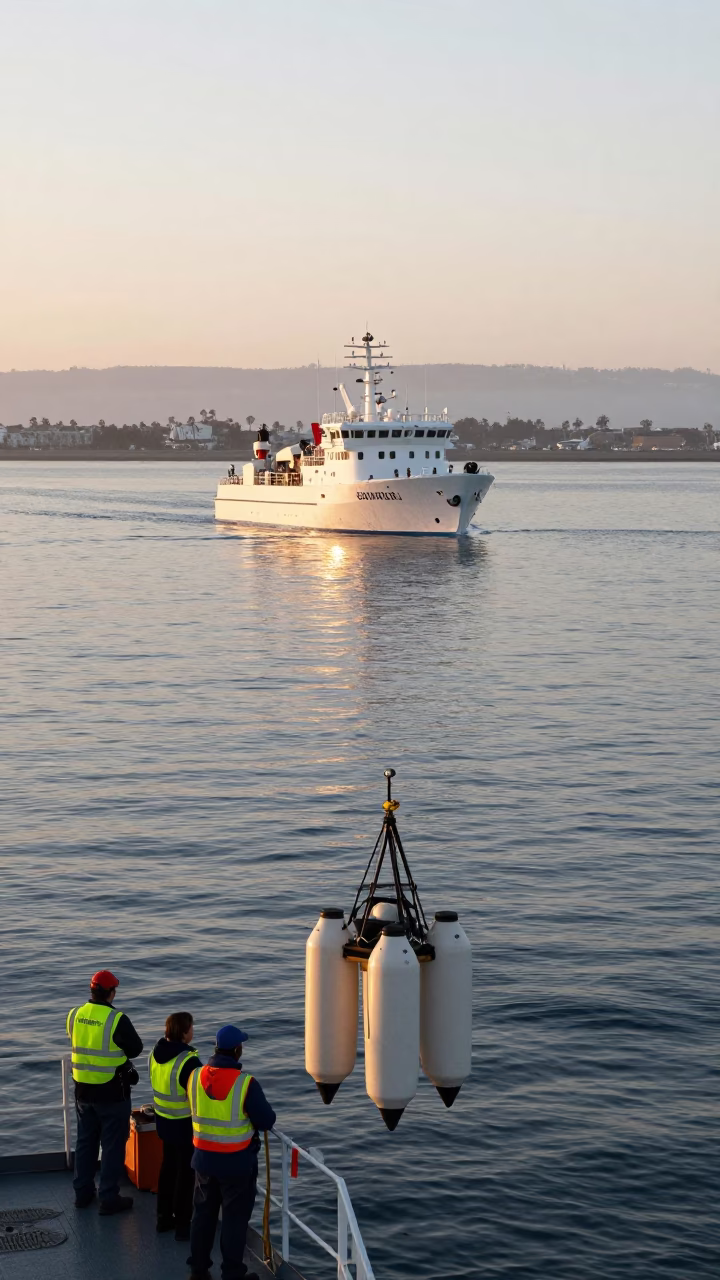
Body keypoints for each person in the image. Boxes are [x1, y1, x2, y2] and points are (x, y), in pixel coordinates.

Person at [187, 1025, 276, 1280]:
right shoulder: (245, 1083)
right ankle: (232, 1273)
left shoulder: (195, 1076)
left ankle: (198, 1269)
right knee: (234, 1220)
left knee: (203, 1216)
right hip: (236, 1165)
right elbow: (266, 1120)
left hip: (203, 1160)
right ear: (237, 1050)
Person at [66, 969, 143, 1214]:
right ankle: (108, 1197)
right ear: (110, 993)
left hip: (82, 1092)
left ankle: (82, 1193)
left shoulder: (75, 1014)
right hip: (111, 1093)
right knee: (112, 1145)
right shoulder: (116, 1018)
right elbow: (136, 1049)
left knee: (85, 1142)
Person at [148, 1011, 201, 1240]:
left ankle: (162, 1218)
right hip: (183, 1124)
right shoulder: (188, 1061)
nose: (193, 1031)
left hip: (163, 1120)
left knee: (167, 1168)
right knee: (185, 1174)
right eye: (191, 1027)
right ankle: (182, 1225)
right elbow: (199, 1095)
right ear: (183, 1032)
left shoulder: (154, 1054)